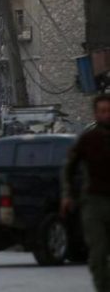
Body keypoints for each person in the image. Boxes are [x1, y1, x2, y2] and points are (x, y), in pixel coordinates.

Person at [62, 95, 110, 292]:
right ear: (96, 114)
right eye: (102, 111)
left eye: (109, 111)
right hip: (94, 202)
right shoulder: (88, 140)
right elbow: (69, 169)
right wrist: (67, 194)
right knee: (98, 253)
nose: (106, 115)